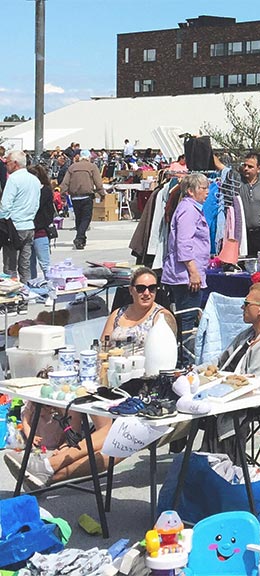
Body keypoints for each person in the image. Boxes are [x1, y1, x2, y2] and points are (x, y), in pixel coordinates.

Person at [3, 268, 178, 487]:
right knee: (97, 420)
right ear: (131, 290)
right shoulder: (118, 314)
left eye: (152, 288)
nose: (147, 293)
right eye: (141, 288)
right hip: (111, 385)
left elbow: (168, 362)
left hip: (142, 391)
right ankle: (49, 468)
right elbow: (101, 351)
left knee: (116, 437)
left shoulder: (162, 317)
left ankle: (50, 469)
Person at [162, 173, 211, 366]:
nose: (207, 192)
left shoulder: (190, 208)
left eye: (207, 188)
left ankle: (183, 360)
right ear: (190, 191)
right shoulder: (189, 210)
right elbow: (183, 243)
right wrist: (193, 271)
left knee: (187, 318)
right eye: (202, 188)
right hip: (185, 275)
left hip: (186, 273)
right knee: (187, 319)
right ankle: (183, 363)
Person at [0, 151, 40, 280]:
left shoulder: (14, 179)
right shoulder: (34, 180)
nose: (5, 165)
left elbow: (5, 205)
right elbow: (36, 204)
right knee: (24, 265)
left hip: (14, 227)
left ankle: (12, 295)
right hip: (29, 226)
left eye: (8, 162)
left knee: (10, 266)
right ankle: (26, 292)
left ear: (15, 163)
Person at [61, 150, 104, 250]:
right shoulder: (92, 167)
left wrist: (63, 193)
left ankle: (82, 239)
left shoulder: (72, 167)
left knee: (79, 218)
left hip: (75, 197)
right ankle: (79, 238)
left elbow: (65, 182)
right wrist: (102, 193)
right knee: (86, 218)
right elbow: (98, 182)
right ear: (89, 157)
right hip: (87, 196)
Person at [26, 165, 55, 280]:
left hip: (40, 232)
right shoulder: (40, 190)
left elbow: (41, 210)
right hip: (30, 231)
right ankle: (32, 288)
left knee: (44, 264)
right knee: (29, 264)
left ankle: (50, 287)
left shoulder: (44, 191)